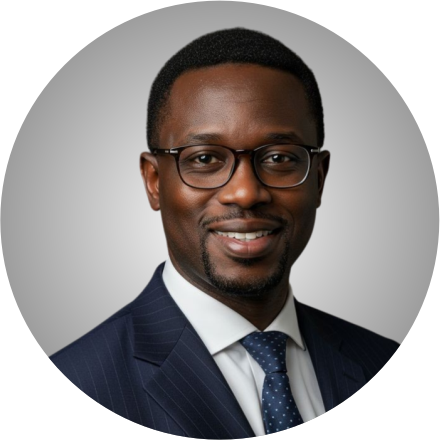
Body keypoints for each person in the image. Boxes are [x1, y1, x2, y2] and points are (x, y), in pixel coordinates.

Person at [50, 28, 399, 438]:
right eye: (204, 159)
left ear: (318, 180)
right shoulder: (69, 393)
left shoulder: (390, 366)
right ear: (154, 182)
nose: (245, 193)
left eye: (279, 158)